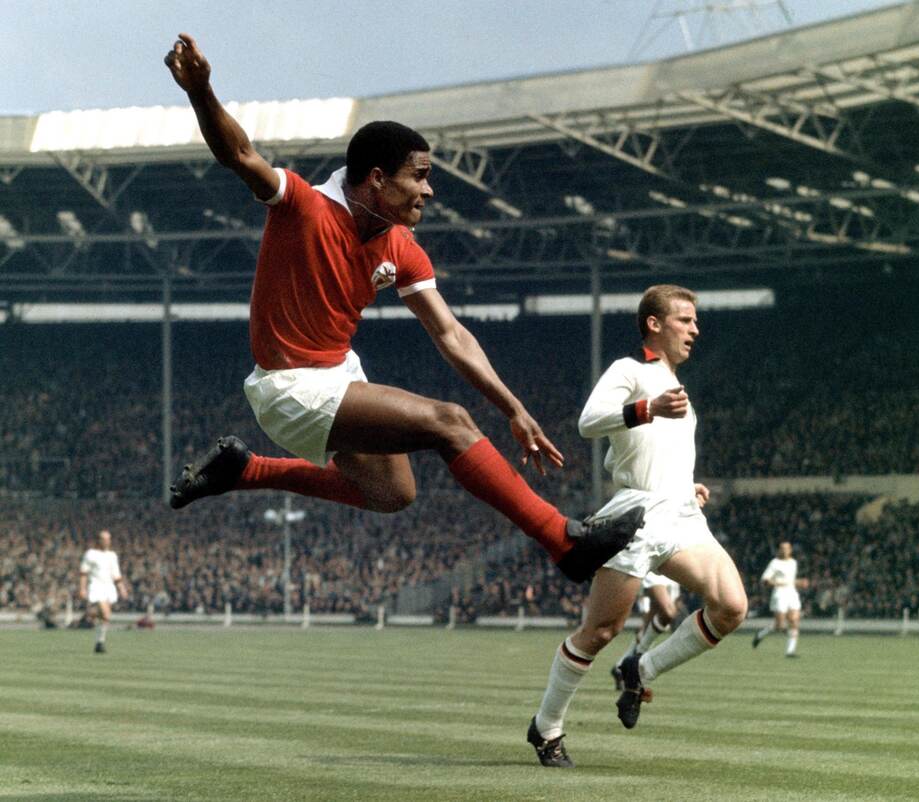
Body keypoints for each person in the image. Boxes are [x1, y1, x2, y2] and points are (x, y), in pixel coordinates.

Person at [162, 34, 642, 584]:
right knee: (451, 423)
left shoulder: (399, 244)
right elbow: (241, 155)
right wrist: (201, 92)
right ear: (377, 179)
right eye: (419, 175)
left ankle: (246, 469)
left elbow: (451, 334)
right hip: (289, 386)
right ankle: (563, 541)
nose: (429, 190)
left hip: (337, 374)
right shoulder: (303, 206)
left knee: (394, 494)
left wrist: (512, 408)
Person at [527, 284, 748, 768]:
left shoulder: (682, 398)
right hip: (636, 517)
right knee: (600, 630)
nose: (695, 329)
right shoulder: (631, 372)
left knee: (731, 607)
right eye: (685, 320)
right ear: (654, 324)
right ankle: (546, 727)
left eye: (694, 321)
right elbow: (588, 422)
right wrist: (646, 408)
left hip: (681, 515)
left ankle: (640, 669)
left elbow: (660, 456)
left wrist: (688, 487)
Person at [610, 572, 684, 691]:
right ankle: (636, 662)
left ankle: (620, 668)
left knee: (651, 621)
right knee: (668, 612)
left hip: (671, 563)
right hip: (653, 564)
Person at [752, 541, 808, 657]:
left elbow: (790, 580)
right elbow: (765, 580)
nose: (784, 550)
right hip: (779, 594)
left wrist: (800, 582)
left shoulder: (793, 563)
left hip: (792, 593)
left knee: (794, 621)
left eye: (787, 548)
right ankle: (761, 634)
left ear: (790, 550)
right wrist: (777, 583)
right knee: (780, 625)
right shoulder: (774, 563)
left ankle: (790, 651)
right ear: (779, 550)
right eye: (782, 548)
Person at [79, 530, 128, 654]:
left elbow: (116, 575)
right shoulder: (91, 554)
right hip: (96, 586)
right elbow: (83, 573)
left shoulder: (112, 555)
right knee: (105, 614)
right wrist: (82, 588)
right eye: (104, 539)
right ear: (99, 540)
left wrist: (122, 588)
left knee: (105, 617)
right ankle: (88, 616)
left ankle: (99, 642)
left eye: (108, 539)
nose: (107, 541)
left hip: (109, 587)